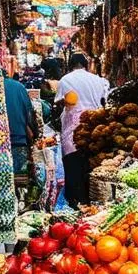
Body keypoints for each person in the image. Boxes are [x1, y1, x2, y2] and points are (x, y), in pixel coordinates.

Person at [56, 53, 109, 207]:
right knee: (93, 166)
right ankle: (94, 201)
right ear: (86, 65)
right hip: (95, 128)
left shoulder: (65, 80)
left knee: (73, 168)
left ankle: (77, 203)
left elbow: (61, 102)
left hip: (73, 130)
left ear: (70, 65)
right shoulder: (99, 80)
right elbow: (104, 101)